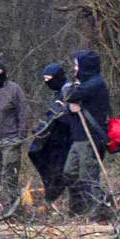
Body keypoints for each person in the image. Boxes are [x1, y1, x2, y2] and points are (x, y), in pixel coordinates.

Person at [63, 49, 110, 217]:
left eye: (77, 65)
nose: (75, 69)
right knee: (70, 172)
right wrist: (70, 107)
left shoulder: (96, 83)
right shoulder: (84, 83)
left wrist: (71, 95)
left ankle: (101, 211)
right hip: (78, 137)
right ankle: (78, 209)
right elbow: (68, 104)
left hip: (91, 137)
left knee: (88, 175)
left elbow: (71, 95)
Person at [0, 57, 30, 212]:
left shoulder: (14, 89)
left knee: (10, 174)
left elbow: (23, 112)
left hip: (10, 138)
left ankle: (12, 209)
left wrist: (21, 135)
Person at [27, 63, 72, 204]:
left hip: (66, 139)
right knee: (36, 153)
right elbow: (51, 115)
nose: (47, 82)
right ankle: (53, 195)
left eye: (49, 79)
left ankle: (61, 196)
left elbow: (63, 115)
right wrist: (41, 128)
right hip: (55, 138)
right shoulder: (58, 92)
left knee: (64, 168)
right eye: (45, 79)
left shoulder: (68, 91)